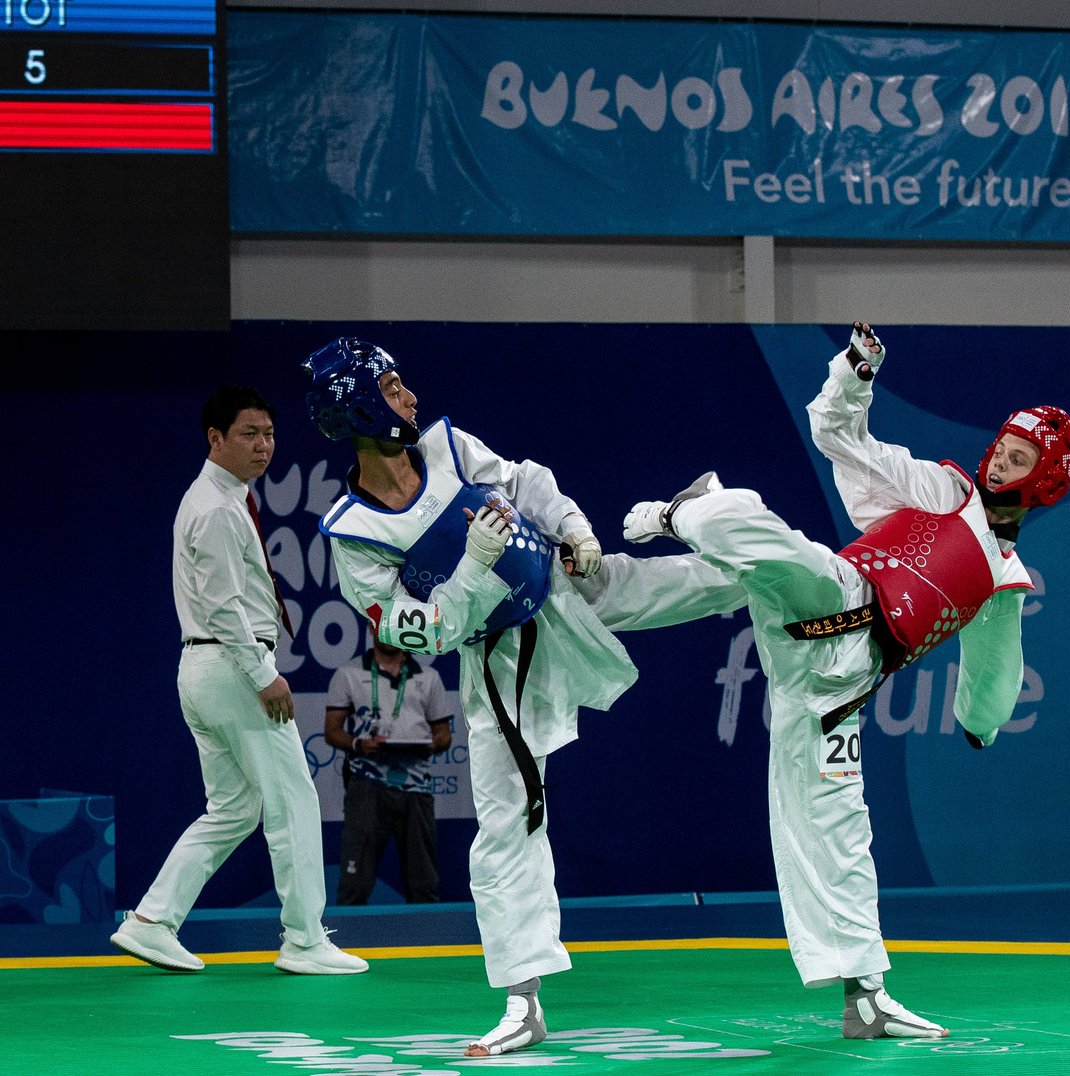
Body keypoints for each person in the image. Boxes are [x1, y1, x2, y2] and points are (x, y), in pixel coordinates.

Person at [623, 323, 1070, 1040]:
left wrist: (982, 724)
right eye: (1001, 449)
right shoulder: (943, 489)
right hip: (839, 598)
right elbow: (840, 435)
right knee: (759, 534)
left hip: (842, 685)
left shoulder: (1003, 581)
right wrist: (853, 373)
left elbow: (994, 672)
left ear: (1046, 480)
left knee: (838, 828)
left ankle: (863, 996)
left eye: (1018, 458)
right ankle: (686, 511)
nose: (999, 464)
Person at [302, 337, 745, 1057]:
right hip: (498, 654)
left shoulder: (446, 445)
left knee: (689, 583)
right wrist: (473, 568)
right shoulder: (356, 535)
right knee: (507, 824)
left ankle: (800, 565)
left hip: (562, 584)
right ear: (357, 407)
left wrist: (574, 527)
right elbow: (422, 633)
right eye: (390, 388)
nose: (409, 397)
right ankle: (522, 999)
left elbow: (527, 481)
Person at [110, 385, 368, 976]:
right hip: (233, 667)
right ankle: (304, 939)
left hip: (205, 669)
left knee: (233, 808)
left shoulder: (222, 500)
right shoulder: (218, 508)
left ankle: (152, 920)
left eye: (270, 434)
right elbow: (224, 605)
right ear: (215, 439)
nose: (263, 445)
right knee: (295, 800)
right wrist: (263, 673)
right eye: (249, 434)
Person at [324, 632, 453, 904]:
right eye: (380, 625)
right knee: (354, 885)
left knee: (424, 885)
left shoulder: (428, 677)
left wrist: (431, 744)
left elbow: (444, 734)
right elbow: (332, 731)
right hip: (367, 785)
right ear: (370, 628)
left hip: (417, 786)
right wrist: (359, 744)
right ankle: (346, 943)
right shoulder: (348, 673)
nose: (386, 633)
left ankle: (427, 945)